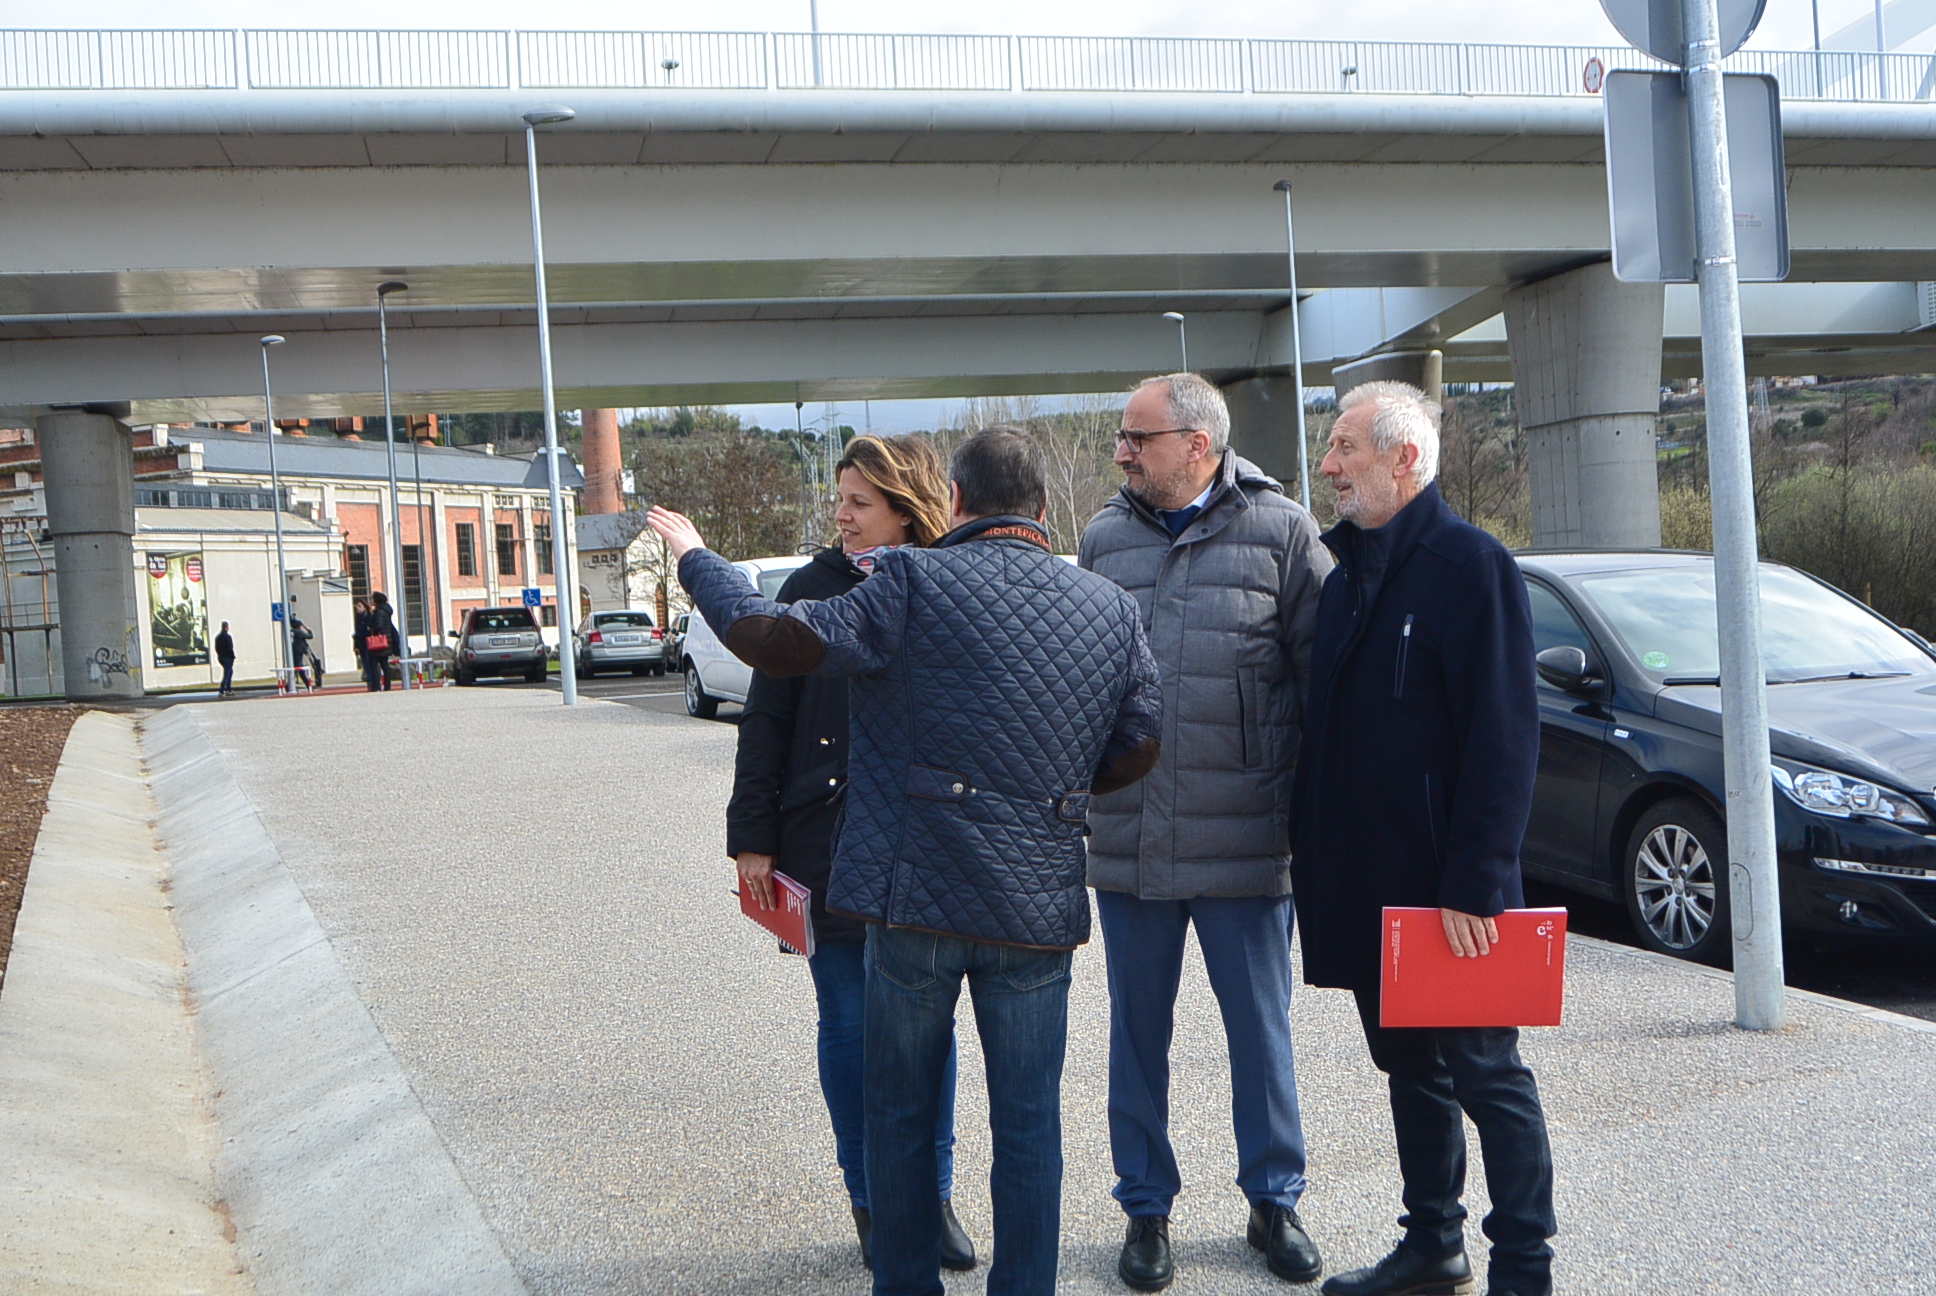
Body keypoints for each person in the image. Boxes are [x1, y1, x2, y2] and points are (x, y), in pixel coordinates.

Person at [650, 427, 1162, 1296]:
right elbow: (1140, 743)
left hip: (911, 900)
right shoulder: (1108, 606)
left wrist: (698, 558)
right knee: (1031, 1128)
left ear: (954, 502)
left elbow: (765, 636)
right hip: (1035, 908)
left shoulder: (908, 582)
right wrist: (1051, 796)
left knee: (896, 1116)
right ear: (1042, 509)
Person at [1289, 382, 1556, 1296]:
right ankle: (1434, 1247)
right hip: (1371, 888)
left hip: (1453, 896)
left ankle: (1524, 1266)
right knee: (1408, 1066)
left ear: (1405, 459)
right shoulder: (1347, 577)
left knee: (1487, 1073)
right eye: (1331, 451)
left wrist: (1477, 879)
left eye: (1345, 448)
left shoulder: (1469, 566)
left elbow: (1506, 735)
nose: (1328, 468)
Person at [1079, 374, 1333, 1292]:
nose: (1121, 452)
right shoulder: (1104, 537)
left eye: (1136, 437)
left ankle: (1275, 1201)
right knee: (1136, 1036)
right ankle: (1145, 1210)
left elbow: (1324, 686)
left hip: (1250, 838)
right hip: (1132, 839)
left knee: (1261, 1033)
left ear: (1198, 443)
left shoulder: (1284, 531)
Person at [725, 435, 977, 1272]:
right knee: (848, 1027)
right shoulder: (809, 589)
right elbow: (766, 723)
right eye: (839, 499)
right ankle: (872, 1201)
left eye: (859, 502)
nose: (841, 515)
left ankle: (931, 1197)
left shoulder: (946, 583)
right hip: (822, 845)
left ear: (907, 509)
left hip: (924, 848)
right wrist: (752, 838)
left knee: (927, 1034)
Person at [360, 592, 399, 692]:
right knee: (384, 664)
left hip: (379, 642)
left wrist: (370, 626)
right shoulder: (386, 610)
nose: (371, 601)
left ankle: (376, 686)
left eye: (373, 599)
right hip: (387, 641)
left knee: (373, 665)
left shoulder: (379, 612)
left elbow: (378, 626)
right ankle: (387, 686)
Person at [289, 617, 317, 690]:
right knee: (298, 668)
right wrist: (309, 630)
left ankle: (308, 684)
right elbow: (310, 636)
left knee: (299, 668)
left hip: (292, 651)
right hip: (299, 651)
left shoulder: (291, 631)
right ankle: (288, 686)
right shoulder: (299, 632)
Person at [214, 620, 236, 697]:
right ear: (227, 627)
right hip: (228, 657)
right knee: (227, 673)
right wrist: (233, 656)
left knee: (229, 672)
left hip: (221, 657)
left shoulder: (218, 637)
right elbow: (230, 648)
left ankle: (228, 689)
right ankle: (222, 690)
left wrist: (220, 655)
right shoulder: (228, 637)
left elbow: (216, 648)